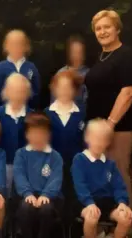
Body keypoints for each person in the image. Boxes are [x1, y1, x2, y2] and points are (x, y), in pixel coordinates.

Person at [84, 10, 132, 204]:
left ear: (117, 28)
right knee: (101, 176)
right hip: (98, 129)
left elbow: (129, 92)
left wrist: (110, 123)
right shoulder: (102, 57)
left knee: (118, 174)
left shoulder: (127, 56)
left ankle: (125, 225)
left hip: (119, 128)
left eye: (107, 27)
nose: (102, 32)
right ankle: (108, 224)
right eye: (98, 28)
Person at [72, 119, 132, 238]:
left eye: (103, 139)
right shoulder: (79, 160)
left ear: (108, 142)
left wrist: (122, 202)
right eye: (96, 138)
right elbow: (80, 185)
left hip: (107, 203)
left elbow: (119, 186)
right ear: (87, 138)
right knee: (91, 218)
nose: (99, 143)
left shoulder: (110, 164)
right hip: (85, 202)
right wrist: (89, 203)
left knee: (126, 218)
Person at [13, 112, 63, 238]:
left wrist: (46, 194)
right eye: (34, 133)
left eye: (42, 133)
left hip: (49, 197)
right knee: (25, 208)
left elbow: (55, 179)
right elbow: (19, 176)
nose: (38, 137)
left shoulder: (55, 156)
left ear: (48, 135)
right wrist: (27, 193)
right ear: (27, 135)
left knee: (46, 209)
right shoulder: (21, 154)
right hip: (27, 195)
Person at [45, 70, 85, 199]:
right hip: (53, 165)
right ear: (54, 89)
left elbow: (85, 141)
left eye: (68, 87)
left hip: (75, 166)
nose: (64, 91)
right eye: (61, 87)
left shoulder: (82, 114)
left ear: (75, 90)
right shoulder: (46, 114)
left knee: (73, 196)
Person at [0, 73, 32, 194]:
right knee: (4, 192)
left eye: (21, 91)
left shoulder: (31, 115)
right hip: (4, 163)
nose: (17, 95)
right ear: (7, 92)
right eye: (14, 91)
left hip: (25, 165)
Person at [0, 29, 40, 109]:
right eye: (12, 44)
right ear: (6, 46)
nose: (16, 47)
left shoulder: (31, 68)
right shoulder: (0, 68)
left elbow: (36, 92)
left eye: (20, 43)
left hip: (28, 114)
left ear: (26, 46)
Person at [56, 35, 89, 109]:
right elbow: (54, 100)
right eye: (74, 52)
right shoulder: (60, 73)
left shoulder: (89, 74)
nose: (77, 55)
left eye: (80, 52)